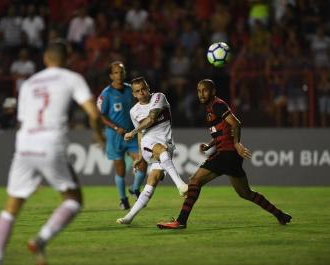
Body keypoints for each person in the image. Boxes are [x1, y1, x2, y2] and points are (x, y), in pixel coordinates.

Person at [0, 42, 105, 265]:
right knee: (73, 200)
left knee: (10, 209)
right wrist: (99, 136)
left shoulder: (29, 83)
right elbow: (93, 113)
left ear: (45, 59)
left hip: (24, 144)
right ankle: (40, 240)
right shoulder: (72, 78)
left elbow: (23, 120)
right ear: (67, 58)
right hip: (50, 143)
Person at [157, 79, 292, 230]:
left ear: (213, 91)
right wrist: (210, 144)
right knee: (245, 193)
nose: (201, 94)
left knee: (194, 181)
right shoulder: (210, 108)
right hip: (230, 156)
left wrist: (237, 144)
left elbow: (235, 123)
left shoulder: (217, 105)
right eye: (199, 91)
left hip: (226, 153)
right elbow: (222, 132)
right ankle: (280, 215)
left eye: (205, 90)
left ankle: (181, 221)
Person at [116, 77, 188, 225]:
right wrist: (141, 156)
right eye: (137, 91)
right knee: (161, 150)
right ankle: (180, 185)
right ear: (134, 94)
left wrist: (132, 132)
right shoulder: (134, 111)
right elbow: (142, 134)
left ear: (148, 88)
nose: (142, 93)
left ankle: (129, 217)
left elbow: (152, 118)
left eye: (143, 89)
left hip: (167, 143)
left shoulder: (159, 97)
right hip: (150, 143)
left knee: (152, 181)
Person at [97, 61, 147, 210]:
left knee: (142, 164)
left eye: (122, 72)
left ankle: (134, 188)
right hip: (115, 137)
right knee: (120, 169)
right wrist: (115, 127)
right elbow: (101, 116)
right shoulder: (106, 94)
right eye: (116, 72)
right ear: (111, 75)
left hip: (131, 134)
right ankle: (123, 199)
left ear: (125, 73)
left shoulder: (130, 90)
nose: (119, 75)